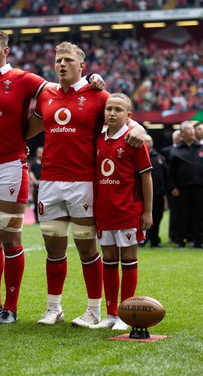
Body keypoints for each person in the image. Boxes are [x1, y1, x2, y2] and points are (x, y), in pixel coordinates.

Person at [0, 29, 104, 325]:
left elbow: (61, 93)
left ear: (5, 51)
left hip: (11, 165)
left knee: (10, 237)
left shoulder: (26, 80)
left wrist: (92, 80)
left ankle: (11, 306)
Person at [27, 42, 145, 328]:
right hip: (50, 182)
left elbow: (127, 118)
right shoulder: (46, 95)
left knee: (87, 250)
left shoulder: (98, 94)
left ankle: (94, 310)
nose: (62, 64)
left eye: (68, 60)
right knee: (53, 249)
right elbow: (26, 130)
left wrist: (140, 129)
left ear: (83, 66)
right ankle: (53, 308)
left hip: (83, 182)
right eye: (58, 60)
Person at [93, 93, 152, 330]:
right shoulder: (97, 139)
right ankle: (110, 314)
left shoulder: (134, 140)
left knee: (127, 260)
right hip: (105, 212)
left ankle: (125, 314)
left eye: (118, 109)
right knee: (108, 261)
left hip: (129, 212)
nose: (112, 113)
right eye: (109, 108)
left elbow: (146, 176)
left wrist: (148, 212)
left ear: (128, 116)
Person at [169, 121, 203, 248]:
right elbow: (171, 172)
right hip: (182, 188)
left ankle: (198, 240)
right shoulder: (176, 151)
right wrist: (173, 187)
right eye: (188, 129)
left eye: (192, 129)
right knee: (181, 216)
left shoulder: (200, 148)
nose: (192, 131)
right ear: (182, 134)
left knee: (199, 215)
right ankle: (180, 240)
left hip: (200, 187)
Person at [144, 134, 169, 247]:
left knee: (157, 218)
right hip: (143, 194)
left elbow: (166, 175)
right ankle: (143, 239)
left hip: (158, 194)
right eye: (146, 141)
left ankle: (155, 240)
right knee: (143, 218)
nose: (148, 143)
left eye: (150, 141)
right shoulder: (139, 156)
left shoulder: (159, 158)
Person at [161, 129, 181, 243]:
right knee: (173, 212)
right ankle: (172, 235)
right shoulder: (166, 151)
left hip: (182, 185)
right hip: (171, 186)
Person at [29, 147, 43, 223]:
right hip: (36, 186)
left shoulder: (45, 163)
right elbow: (30, 173)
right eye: (39, 152)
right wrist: (35, 181)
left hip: (45, 186)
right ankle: (37, 219)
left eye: (41, 152)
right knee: (35, 202)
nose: (40, 153)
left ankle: (44, 219)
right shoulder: (34, 163)